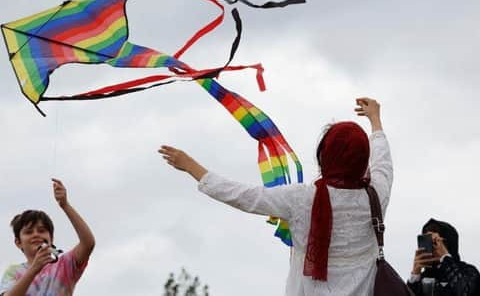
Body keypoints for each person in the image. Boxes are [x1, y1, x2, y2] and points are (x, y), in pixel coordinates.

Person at [159, 97, 392, 296]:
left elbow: (244, 196)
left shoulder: (302, 199)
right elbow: (382, 162)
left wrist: (191, 167)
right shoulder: (375, 195)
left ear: (325, 154)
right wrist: (376, 120)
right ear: (363, 159)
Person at [0, 178, 95, 296]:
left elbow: (88, 243)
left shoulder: (64, 264)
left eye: (42, 230)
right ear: (18, 242)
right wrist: (34, 269)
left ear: (51, 238)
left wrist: (65, 205)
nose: (36, 234)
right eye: (29, 232)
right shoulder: (13, 272)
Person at [408, 218, 480, 296]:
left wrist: (445, 257)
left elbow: (464, 291)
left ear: (449, 244)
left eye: (435, 243)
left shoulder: (468, 271)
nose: (433, 248)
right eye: (428, 242)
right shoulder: (422, 279)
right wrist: (414, 276)